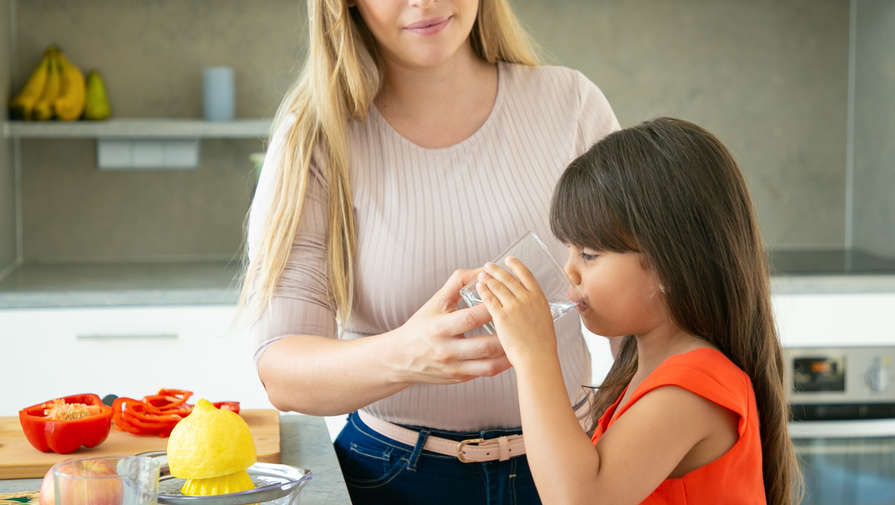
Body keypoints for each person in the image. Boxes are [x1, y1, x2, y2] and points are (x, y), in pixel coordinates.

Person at [240, 0, 619, 503]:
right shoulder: (316, 136)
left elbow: (644, 312)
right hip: (393, 478)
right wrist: (407, 356)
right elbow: (283, 374)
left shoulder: (571, 104)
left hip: (574, 469)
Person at [475, 118, 803, 505]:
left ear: (668, 264)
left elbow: (578, 499)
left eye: (589, 254)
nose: (570, 269)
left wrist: (533, 355)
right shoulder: (645, 369)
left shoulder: (695, 387)